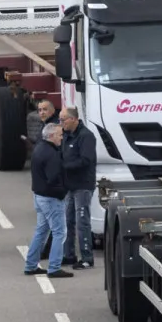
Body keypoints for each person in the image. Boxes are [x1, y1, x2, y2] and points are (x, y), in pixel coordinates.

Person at [23, 124, 72, 278]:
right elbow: (53, 179)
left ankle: (31, 265)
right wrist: (63, 191)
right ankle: (54, 267)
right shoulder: (52, 154)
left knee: (41, 231)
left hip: (39, 196)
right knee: (60, 232)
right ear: (51, 136)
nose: (61, 137)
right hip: (51, 198)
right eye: (59, 135)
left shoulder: (39, 148)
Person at [59, 107, 97, 268]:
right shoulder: (66, 136)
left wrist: (64, 167)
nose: (61, 123)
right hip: (69, 185)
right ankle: (69, 254)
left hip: (82, 185)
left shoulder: (86, 136)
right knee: (67, 221)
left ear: (74, 119)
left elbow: (86, 160)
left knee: (82, 221)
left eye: (64, 120)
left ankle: (87, 257)